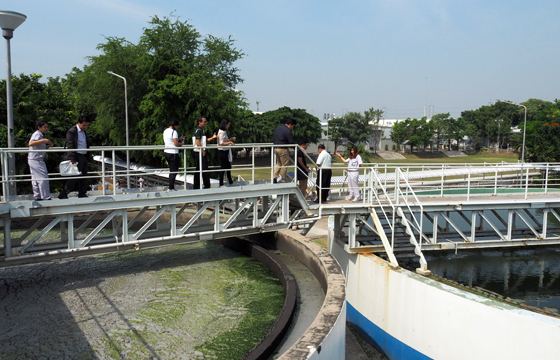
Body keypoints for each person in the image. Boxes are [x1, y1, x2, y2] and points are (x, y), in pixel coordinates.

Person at [59, 115, 92, 199]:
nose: (85, 127)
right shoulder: (72, 131)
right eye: (84, 125)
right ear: (79, 123)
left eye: (87, 125)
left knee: (84, 175)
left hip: (83, 155)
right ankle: (64, 192)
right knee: (75, 176)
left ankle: (82, 193)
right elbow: (70, 145)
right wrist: (72, 157)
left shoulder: (83, 131)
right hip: (77, 155)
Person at [28, 119, 54, 201]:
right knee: (43, 177)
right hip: (36, 160)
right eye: (44, 127)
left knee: (35, 178)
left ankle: (38, 196)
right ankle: (45, 197)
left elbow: (38, 147)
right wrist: (44, 141)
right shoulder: (37, 134)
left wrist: (47, 147)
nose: (46, 129)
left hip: (35, 159)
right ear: (39, 127)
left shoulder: (41, 135)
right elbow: (31, 143)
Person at [193, 116, 217, 189]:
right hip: (199, 152)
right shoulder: (198, 130)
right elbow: (197, 142)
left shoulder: (202, 130)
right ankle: (206, 185)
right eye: (204, 121)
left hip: (200, 151)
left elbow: (205, 140)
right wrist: (203, 151)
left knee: (199, 169)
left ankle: (197, 185)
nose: (205, 123)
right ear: (199, 122)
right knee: (204, 169)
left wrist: (213, 137)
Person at [163, 119, 185, 191]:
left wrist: (179, 139)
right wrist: (181, 143)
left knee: (171, 170)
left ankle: (171, 186)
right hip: (173, 153)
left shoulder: (165, 131)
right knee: (174, 171)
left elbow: (171, 141)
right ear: (175, 125)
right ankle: (171, 187)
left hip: (166, 152)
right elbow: (176, 144)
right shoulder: (174, 132)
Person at [272, 118, 297, 183]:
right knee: (285, 165)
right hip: (282, 149)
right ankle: (283, 180)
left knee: (278, 163)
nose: (292, 128)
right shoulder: (287, 131)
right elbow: (291, 141)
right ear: (290, 124)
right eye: (293, 126)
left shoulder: (278, 128)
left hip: (275, 148)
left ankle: (274, 177)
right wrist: (297, 148)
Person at [217, 118, 236, 187]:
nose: (229, 126)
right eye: (228, 125)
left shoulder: (223, 132)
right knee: (223, 167)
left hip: (225, 151)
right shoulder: (221, 132)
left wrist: (230, 139)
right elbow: (221, 143)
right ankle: (221, 183)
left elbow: (225, 141)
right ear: (225, 125)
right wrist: (230, 142)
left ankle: (230, 182)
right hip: (222, 152)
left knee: (228, 167)